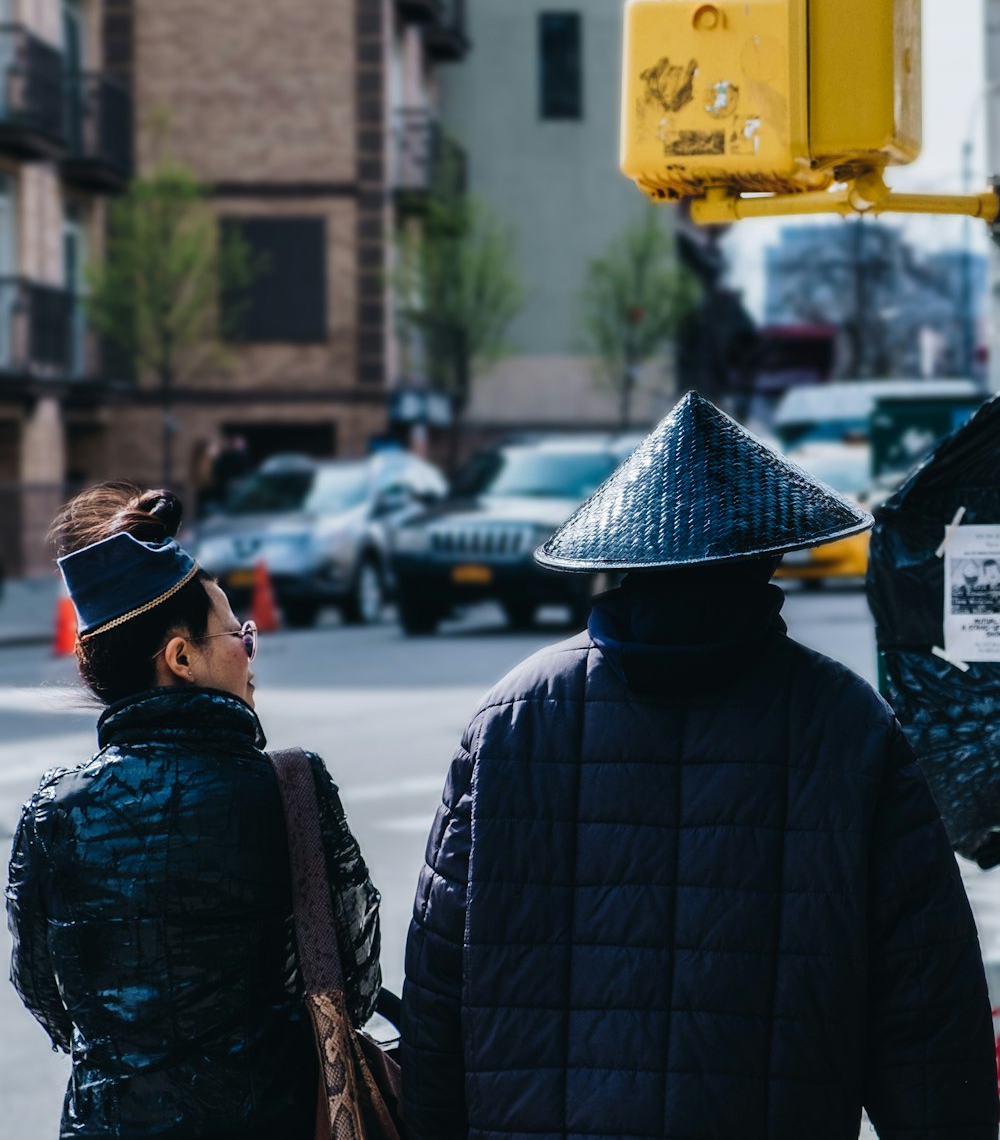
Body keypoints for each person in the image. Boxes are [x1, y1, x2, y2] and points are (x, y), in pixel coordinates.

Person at [400, 391, 998, 1140]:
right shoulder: (847, 727)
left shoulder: (509, 720)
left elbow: (434, 989)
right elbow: (928, 1017)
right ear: (768, 557)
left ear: (623, 562)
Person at [6, 482, 381, 1139]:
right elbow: (357, 983)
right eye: (238, 630)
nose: (249, 651)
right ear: (181, 657)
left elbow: (45, 995)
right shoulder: (290, 786)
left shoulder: (50, 813)